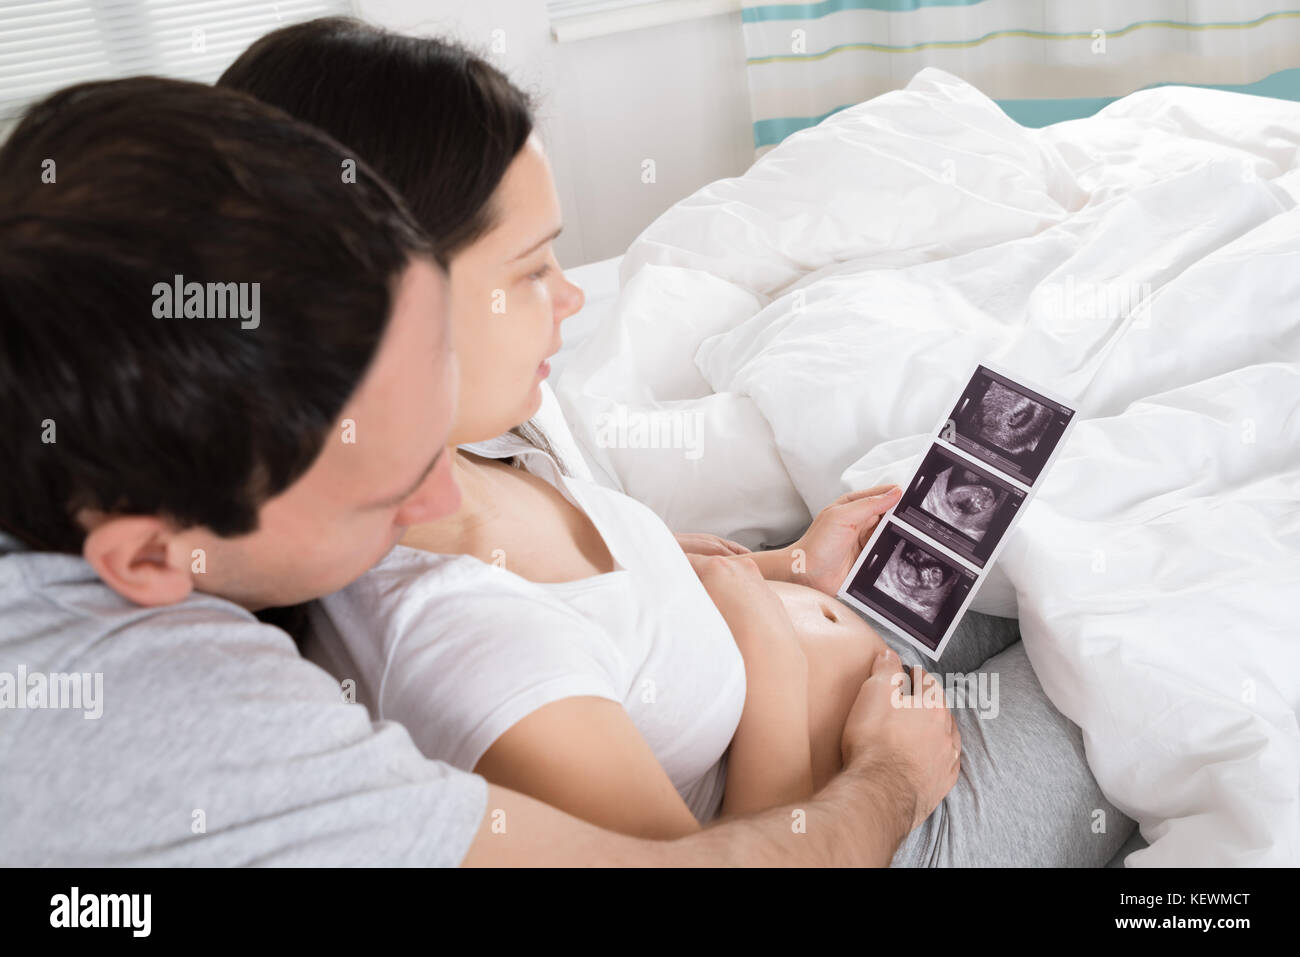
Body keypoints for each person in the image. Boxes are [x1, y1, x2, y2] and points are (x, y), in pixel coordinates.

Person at [216, 19, 1136, 865]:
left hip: (850, 661)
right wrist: (850, 737)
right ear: (388, 311)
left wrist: (785, 570)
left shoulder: (484, 434)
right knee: (1132, 670)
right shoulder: (470, 651)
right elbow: (729, 858)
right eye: (532, 269)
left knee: (1095, 533)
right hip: (877, 814)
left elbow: (628, 592)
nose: (572, 297)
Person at [0, 76, 955, 866]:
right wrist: (889, 775)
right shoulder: (205, 733)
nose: (446, 494)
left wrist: (779, 572)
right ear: (153, 556)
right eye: (385, 489)